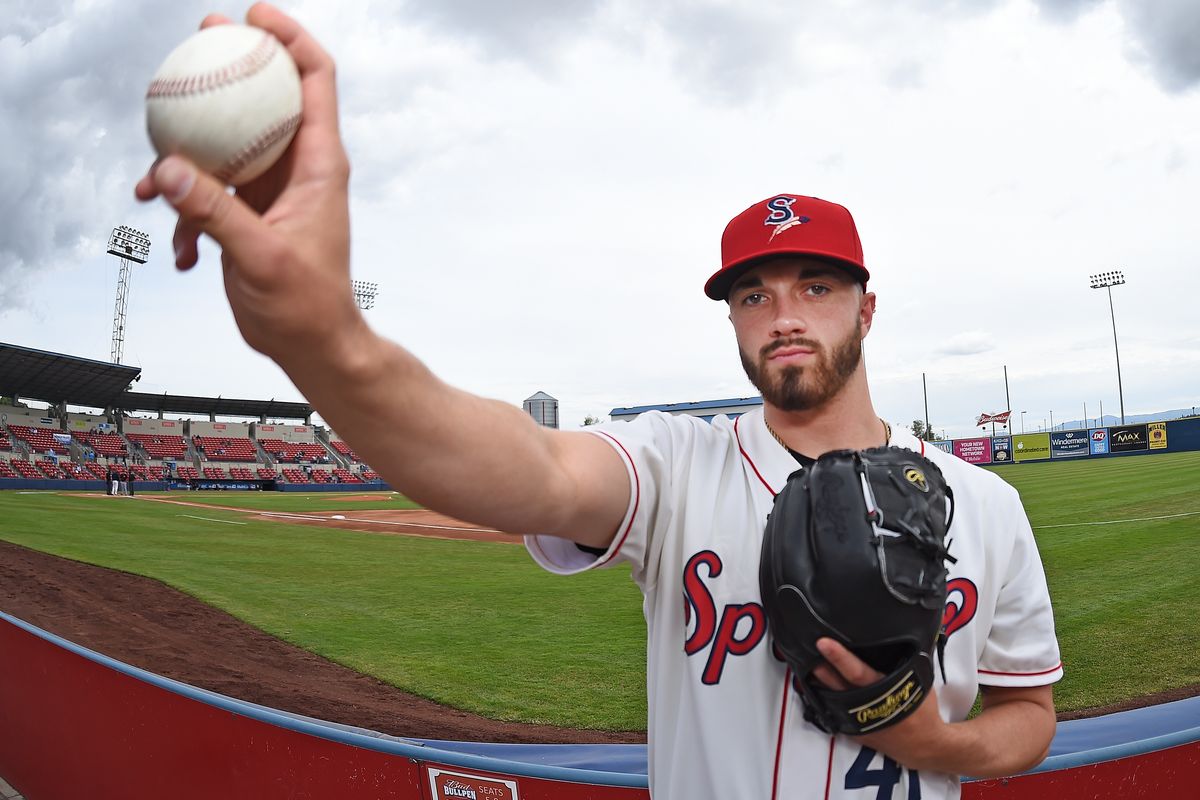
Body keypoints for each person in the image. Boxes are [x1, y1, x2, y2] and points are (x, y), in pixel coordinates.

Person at [137, 7, 1061, 797]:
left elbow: (1029, 711)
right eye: (753, 295)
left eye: (816, 287)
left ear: (867, 306)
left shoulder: (985, 507)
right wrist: (326, 339)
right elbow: (523, 467)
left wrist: (942, 747)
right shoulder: (675, 467)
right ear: (732, 319)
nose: (783, 317)